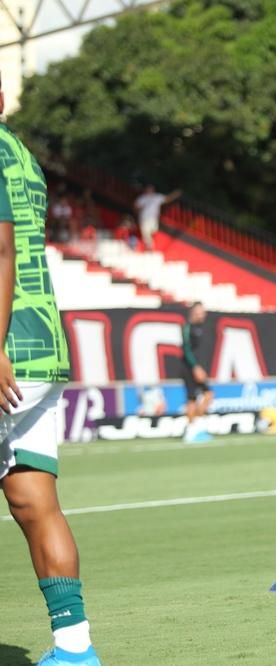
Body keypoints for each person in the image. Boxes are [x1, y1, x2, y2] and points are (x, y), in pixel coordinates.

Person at [0, 74, 102, 666]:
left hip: (6, 349)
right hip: (42, 346)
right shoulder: (20, 153)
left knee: (36, 503)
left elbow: (1, 247)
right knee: (34, 500)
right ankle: (74, 648)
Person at [181, 302, 214, 444]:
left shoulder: (202, 328)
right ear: (193, 312)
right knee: (193, 398)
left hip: (199, 367)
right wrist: (195, 367)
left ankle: (196, 426)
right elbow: (186, 349)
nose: (202, 314)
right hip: (189, 368)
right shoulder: (188, 328)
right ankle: (191, 430)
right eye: (200, 311)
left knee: (205, 396)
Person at [134, 184, 181, 251]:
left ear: (153, 190)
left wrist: (175, 194)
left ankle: (149, 245)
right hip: (144, 218)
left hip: (153, 218)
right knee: (145, 232)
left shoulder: (157, 197)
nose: (149, 190)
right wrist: (139, 211)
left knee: (153, 231)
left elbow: (167, 199)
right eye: (148, 189)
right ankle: (149, 247)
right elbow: (136, 207)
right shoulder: (142, 198)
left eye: (151, 189)